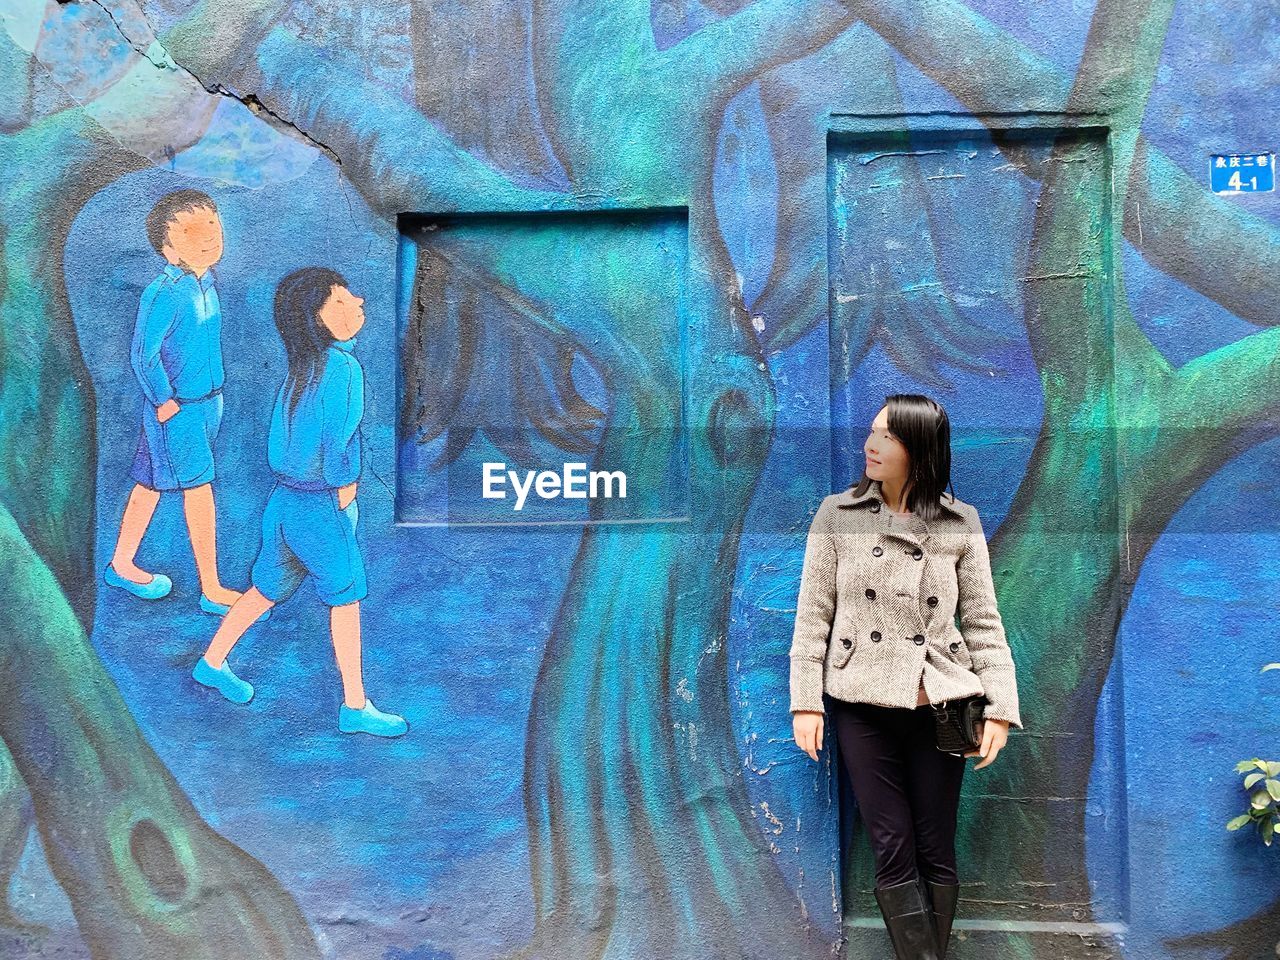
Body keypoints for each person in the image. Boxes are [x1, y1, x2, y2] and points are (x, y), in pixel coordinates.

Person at [788, 393, 1022, 960]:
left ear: (918, 449)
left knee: (936, 845)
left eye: (887, 437)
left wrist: (1000, 708)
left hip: (940, 704)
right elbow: (813, 613)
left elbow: (984, 622)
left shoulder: (960, 522)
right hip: (860, 702)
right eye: (871, 433)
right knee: (891, 845)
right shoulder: (836, 515)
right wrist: (807, 703)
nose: (871, 446)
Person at [191, 267, 407, 738]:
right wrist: (345, 486)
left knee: (265, 588)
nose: (358, 303)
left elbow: (281, 443)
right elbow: (339, 439)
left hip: (283, 502)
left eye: (352, 296)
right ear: (318, 319)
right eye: (341, 301)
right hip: (319, 505)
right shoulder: (346, 369)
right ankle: (356, 705)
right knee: (345, 596)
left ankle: (212, 661)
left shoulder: (301, 369)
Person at [103, 189, 246, 614]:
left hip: (205, 403)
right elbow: (142, 355)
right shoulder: (164, 293)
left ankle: (121, 564)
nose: (208, 237)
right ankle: (212, 588)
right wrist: (164, 402)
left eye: (213, 225)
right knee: (198, 489)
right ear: (167, 246)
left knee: (148, 484)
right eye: (192, 230)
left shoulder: (207, 285)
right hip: (178, 409)